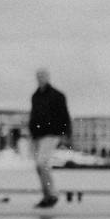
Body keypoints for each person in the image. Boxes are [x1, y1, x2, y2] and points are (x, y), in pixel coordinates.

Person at [28, 69, 71, 209]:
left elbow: (65, 115)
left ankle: (52, 194)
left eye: (42, 76)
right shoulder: (35, 96)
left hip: (52, 134)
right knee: (40, 165)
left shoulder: (57, 96)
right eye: (38, 76)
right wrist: (32, 133)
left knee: (41, 162)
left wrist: (65, 134)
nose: (40, 78)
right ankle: (47, 196)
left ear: (48, 77)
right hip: (39, 136)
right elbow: (33, 116)